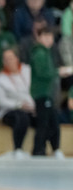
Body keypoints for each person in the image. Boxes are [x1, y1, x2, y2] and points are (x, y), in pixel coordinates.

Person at [28, 26, 63, 157]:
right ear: (39, 37)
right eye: (45, 36)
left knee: (51, 121)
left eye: (50, 37)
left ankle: (52, 148)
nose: (48, 40)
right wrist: (58, 71)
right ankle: (39, 149)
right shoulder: (40, 53)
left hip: (46, 93)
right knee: (44, 123)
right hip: (41, 93)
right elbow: (43, 72)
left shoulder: (46, 52)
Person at [0, 48, 34, 157]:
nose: (9, 61)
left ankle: (45, 149)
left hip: (31, 108)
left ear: (17, 58)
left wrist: (35, 106)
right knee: (21, 117)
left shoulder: (27, 70)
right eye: (6, 59)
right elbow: (1, 101)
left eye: (11, 58)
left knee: (48, 113)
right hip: (9, 111)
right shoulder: (0, 79)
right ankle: (18, 149)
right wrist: (19, 105)